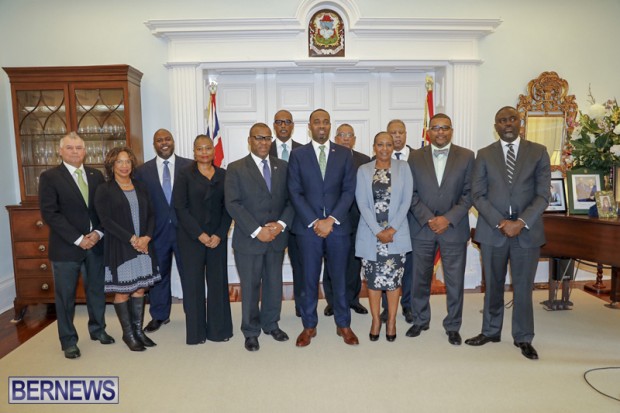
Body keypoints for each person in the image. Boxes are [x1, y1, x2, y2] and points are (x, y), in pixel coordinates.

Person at [465, 106, 550, 360]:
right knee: (493, 284)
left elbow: (543, 194)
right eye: (502, 120)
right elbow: (477, 194)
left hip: (527, 231)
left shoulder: (538, 152)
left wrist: (521, 222)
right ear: (496, 126)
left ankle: (523, 337)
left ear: (520, 122)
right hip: (494, 231)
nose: (508, 124)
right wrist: (501, 222)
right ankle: (491, 331)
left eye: (512, 119)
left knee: (523, 287)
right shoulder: (484, 154)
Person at [39, 132, 114, 359]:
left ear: (85, 151)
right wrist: (79, 238)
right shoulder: (50, 177)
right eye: (70, 148)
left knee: (96, 292)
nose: (75, 151)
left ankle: (98, 330)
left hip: (95, 244)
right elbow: (51, 213)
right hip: (66, 248)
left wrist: (98, 233)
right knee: (65, 297)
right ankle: (68, 341)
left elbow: (104, 208)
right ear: (60, 151)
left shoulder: (95, 175)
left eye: (79, 148)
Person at [288, 108, 359, 347]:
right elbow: (295, 192)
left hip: (338, 228)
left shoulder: (344, 154)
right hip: (308, 229)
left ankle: (343, 324)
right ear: (310, 126)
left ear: (330, 126)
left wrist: (331, 220)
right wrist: (315, 221)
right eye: (316, 122)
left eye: (325, 122)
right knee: (308, 279)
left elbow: (349, 190)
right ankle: (309, 326)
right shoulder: (298, 155)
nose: (321, 126)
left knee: (340, 277)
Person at [406, 114, 474, 346]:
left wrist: (447, 219)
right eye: (435, 128)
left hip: (453, 228)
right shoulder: (414, 157)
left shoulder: (466, 156)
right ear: (428, 131)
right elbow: (411, 193)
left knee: (454, 281)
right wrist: (429, 219)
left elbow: (469, 194)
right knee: (419, 279)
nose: (440, 132)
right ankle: (420, 319)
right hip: (422, 228)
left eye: (445, 128)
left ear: (451, 130)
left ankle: (453, 325)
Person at [226, 123, 294, 351]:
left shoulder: (283, 167)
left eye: (267, 138)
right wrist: (257, 230)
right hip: (249, 240)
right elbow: (233, 204)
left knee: (274, 284)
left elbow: (291, 200)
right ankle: (251, 331)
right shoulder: (235, 168)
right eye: (259, 138)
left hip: (276, 239)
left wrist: (280, 225)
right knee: (251, 287)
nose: (263, 142)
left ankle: (271, 324)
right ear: (250, 140)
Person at [94, 147, 161, 352]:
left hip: (143, 246)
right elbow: (106, 220)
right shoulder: (104, 189)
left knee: (140, 288)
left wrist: (146, 238)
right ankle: (128, 334)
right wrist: (132, 238)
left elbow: (151, 214)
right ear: (112, 165)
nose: (124, 166)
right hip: (121, 246)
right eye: (119, 162)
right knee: (123, 291)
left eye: (128, 162)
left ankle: (139, 331)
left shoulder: (140, 186)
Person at [174, 135, 233, 345]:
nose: (205, 152)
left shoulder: (224, 175)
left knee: (217, 283)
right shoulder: (184, 174)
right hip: (192, 238)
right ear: (194, 151)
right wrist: (199, 234)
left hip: (217, 238)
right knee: (193, 284)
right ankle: (196, 334)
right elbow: (180, 207)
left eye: (208, 148)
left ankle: (219, 331)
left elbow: (229, 208)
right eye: (200, 149)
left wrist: (219, 234)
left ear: (214, 151)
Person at [356, 132, 413, 342]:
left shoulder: (404, 168)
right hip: (371, 236)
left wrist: (392, 229)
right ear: (374, 146)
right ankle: (375, 320)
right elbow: (362, 203)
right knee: (372, 282)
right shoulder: (363, 170)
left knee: (393, 281)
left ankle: (391, 320)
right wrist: (378, 231)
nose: (385, 148)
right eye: (380, 144)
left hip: (396, 236)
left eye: (389, 144)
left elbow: (406, 202)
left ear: (393, 147)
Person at [134, 129, 192, 333]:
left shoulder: (189, 166)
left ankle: (193, 314)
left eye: (167, 139)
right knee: (159, 275)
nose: (164, 143)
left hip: (185, 231)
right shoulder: (142, 171)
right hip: (156, 233)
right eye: (159, 140)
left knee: (189, 274)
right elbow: (141, 204)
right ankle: (159, 316)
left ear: (173, 142)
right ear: (154, 144)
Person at [323, 123, 370, 317]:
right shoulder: (327, 158)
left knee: (354, 262)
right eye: (342, 134)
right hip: (334, 219)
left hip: (358, 220)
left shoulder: (364, 160)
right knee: (331, 261)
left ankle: (352, 299)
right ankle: (332, 301)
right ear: (336, 138)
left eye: (350, 135)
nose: (346, 138)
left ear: (354, 139)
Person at [270, 110, 303, 317]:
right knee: (271, 271)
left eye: (287, 122)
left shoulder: (303, 150)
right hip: (272, 221)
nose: (283, 125)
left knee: (301, 266)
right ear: (274, 125)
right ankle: (271, 312)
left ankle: (302, 308)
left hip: (299, 219)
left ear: (292, 125)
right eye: (279, 122)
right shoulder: (263, 148)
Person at [382, 120, 414, 323]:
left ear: (406, 134)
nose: (397, 136)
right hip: (386, 226)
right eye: (392, 133)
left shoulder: (420, 157)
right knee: (387, 266)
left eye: (400, 132)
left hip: (413, 222)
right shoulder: (375, 160)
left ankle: (408, 306)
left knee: (410, 269)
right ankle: (387, 308)